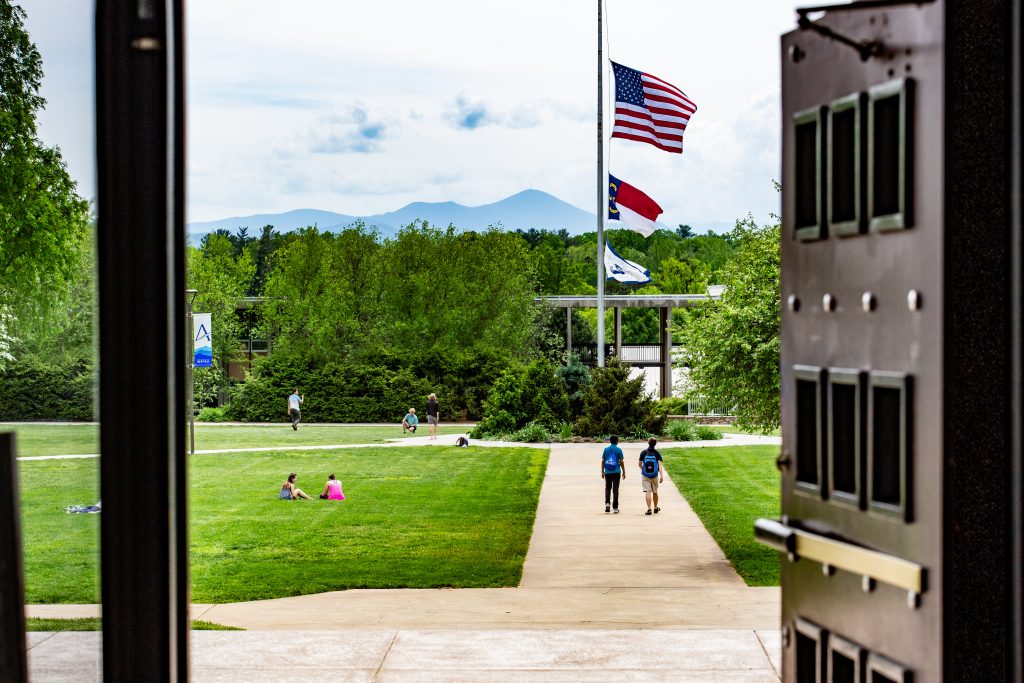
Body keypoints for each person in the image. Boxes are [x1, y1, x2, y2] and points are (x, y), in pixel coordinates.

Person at [638, 437, 664, 515]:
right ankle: (655, 508)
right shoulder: (657, 453)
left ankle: (649, 509)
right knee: (655, 492)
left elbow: (639, 464)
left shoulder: (643, 452)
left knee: (648, 492)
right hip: (654, 475)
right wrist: (661, 476)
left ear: (648, 443)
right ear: (655, 444)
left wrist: (643, 470)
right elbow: (659, 466)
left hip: (645, 475)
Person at [601, 434, 625, 514]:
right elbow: (621, 462)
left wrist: (602, 472)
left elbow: (603, 461)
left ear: (610, 441)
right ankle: (615, 507)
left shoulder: (606, 449)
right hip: (616, 472)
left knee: (608, 488)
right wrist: (624, 471)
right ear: (617, 441)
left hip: (607, 472)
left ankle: (607, 503)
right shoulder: (619, 450)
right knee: (615, 490)